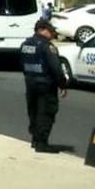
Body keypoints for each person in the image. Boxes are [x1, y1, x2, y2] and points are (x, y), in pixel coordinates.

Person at [19, 19, 68, 153]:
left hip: (30, 82)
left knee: (33, 111)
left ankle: (35, 139)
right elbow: (55, 68)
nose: (52, 35)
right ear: (42, 30)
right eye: (50, 31)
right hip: (46, 84)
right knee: (46, 112)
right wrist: (62, 84)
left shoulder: (25, 44)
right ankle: (41, 143)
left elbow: (22, 64)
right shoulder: (47, 47)